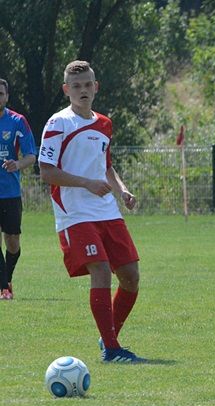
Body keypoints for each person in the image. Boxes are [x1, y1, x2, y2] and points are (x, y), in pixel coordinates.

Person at [38, 60, 145, 363]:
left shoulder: (105, 123)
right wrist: (86, 184)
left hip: (107, 210)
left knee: (131, 277)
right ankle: (112, 350)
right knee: (100, 269)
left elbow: (106, 164)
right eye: (76, 86)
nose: (83, 90)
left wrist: (121, 189)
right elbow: (46, 172)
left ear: (96, 87)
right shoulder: (58, 123)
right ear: (66, 90)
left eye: (87, 85)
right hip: (75, 212)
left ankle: (107, 335)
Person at [0, 78, 37, 300]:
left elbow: (31, 155)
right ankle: (4, 286)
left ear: (7, 96)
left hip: (10, 192)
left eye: (1, 93)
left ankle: (7, 279)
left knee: (12, 242)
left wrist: (17, 164)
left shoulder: (17, 121)